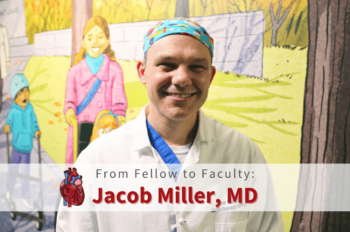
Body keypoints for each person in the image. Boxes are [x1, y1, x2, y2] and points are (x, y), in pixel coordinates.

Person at [57, 18, 285, 231]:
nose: (182, 78)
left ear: (211, 76)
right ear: (143, 72)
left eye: (197, 67)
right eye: (167, 65)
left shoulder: (244, 155)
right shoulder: (95, 160)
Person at [64, 16, 127, 164]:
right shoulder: (74, 72)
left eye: (100, 37)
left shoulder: (114, 70)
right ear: (83, 42)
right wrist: (69, 110)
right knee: (81, 167)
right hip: (81, 128)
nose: (95, 42)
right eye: (90, 37)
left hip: (104, 128)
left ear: (107, 41)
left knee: (103, 166)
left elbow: (118, 101)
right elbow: (70, 100)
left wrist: (119, 115)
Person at [3, 74, 40, 209]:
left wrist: (36, 131)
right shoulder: (13, 111)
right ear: (15, 97)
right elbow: (9, 123)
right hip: (17, 148)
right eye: (21, 93)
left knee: (25, 174)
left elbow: (35, 123)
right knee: (13, 171)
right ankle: (9, 191)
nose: (24, 96)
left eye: (26, 91)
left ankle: (25, 197)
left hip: (27, 148)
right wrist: (7, 127)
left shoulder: (30, 109)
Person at [0, 24, 11, 113]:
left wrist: (7, 59)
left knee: (0, 84)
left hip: (1, 60)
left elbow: (6, 44)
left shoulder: (3, 29)